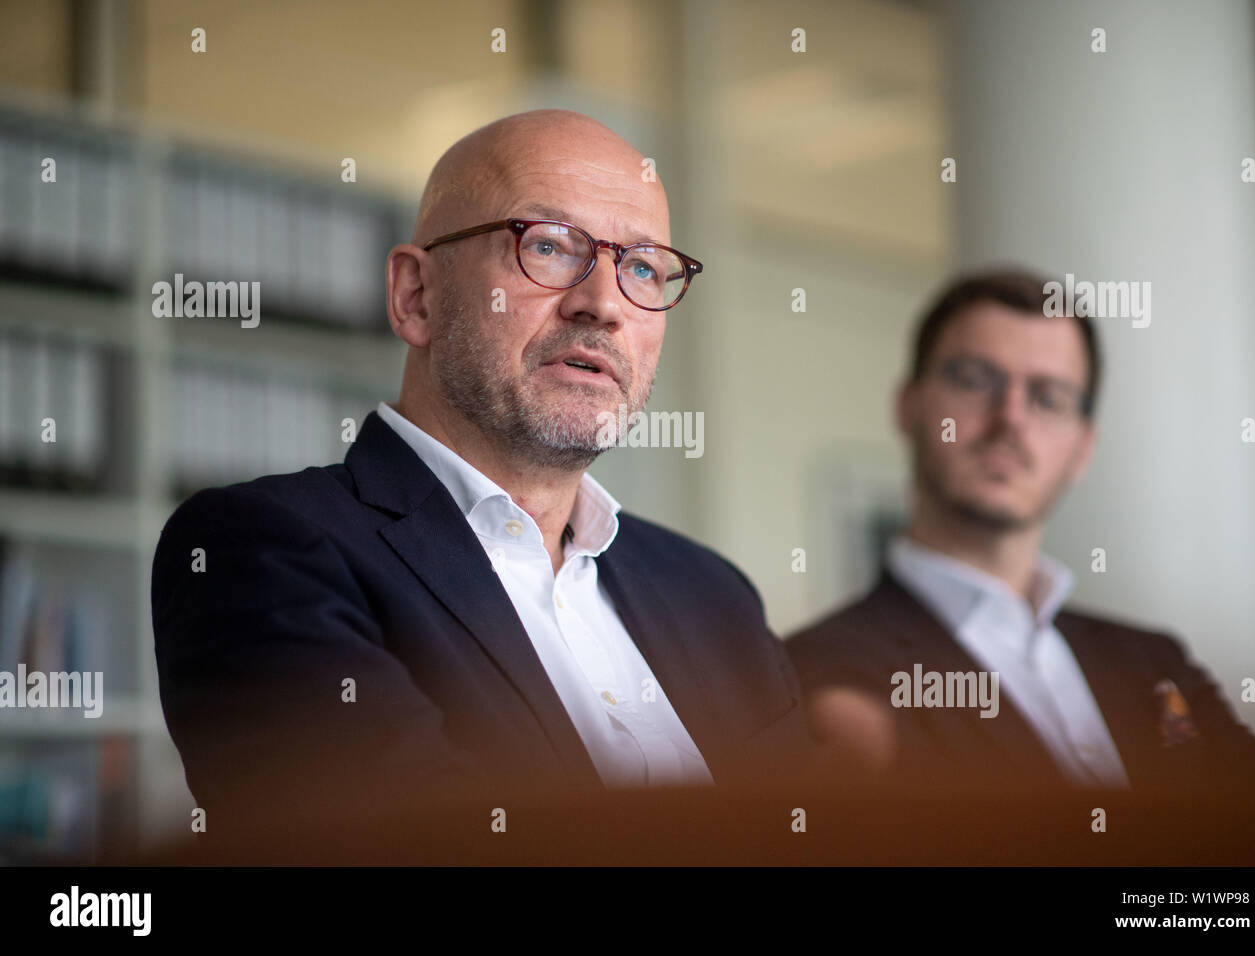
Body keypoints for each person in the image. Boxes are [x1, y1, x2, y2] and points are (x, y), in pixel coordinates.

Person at [151, 110, 807, 825]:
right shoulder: (256, 550)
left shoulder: (714, 596)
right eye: (551, 247)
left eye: (643, 267)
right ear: (416, 296)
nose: (604, 304)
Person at [787, 269, 1255, 799]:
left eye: (1048, 397)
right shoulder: (812, 676)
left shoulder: (1157, 664)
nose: (1011, 419)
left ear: (1082, 448)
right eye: (975, 379)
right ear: (908, 406)